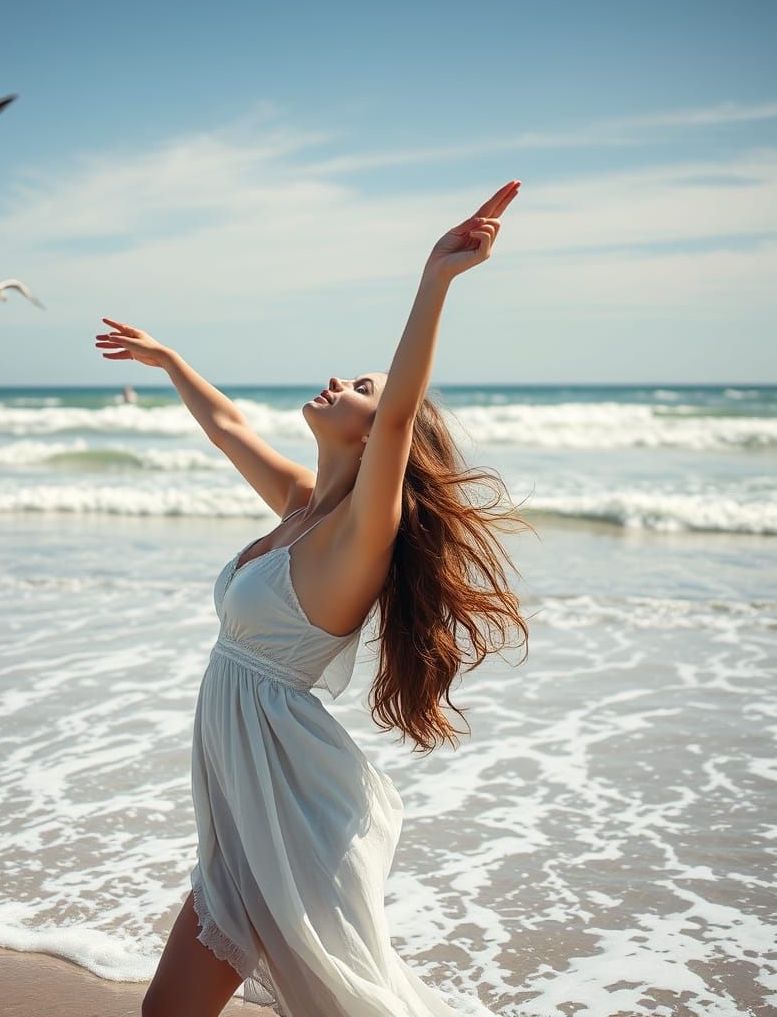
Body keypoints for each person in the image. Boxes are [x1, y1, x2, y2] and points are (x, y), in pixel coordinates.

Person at [94, 179, 530, 1017]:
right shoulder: (302, 507)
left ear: (374, 435)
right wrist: (169, 360)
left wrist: (434, 279)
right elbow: (227, 427)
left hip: (289, 808)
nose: (341, 381)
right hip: (246, 802)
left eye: (362, 388)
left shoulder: (361, 533)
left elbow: (403, 414)